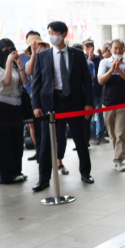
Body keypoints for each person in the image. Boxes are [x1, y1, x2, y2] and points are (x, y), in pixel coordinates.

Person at [31, 21, 95, 192]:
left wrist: (88, 103)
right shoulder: (43, 56)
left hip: (74, 101)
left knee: (80, 139)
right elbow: (36, 83)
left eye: (54, 33)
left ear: (64, 34)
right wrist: (36, 105)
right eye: (50, 32)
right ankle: (43, 179)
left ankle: (85, 173)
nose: (51, 36)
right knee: (46, 142)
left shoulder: (77, 54)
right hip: (51, 103)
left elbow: (86, 81)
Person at [0, 39, 29, 184]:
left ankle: (16, 171)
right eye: (5, 48)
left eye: (11, 47)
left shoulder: (15, 65)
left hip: (17, 105)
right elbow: (7, 81)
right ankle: (5, 175)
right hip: (1, 106)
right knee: (3, 142)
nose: (9, 50)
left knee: (17, 140)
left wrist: (19, 64)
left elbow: (25, 81)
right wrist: (8, 62)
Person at [97, 39, 125, 172]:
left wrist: (118, 69)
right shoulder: (104, 62)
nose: (117, 50)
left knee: (121, 133)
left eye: (120, 48)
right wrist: (112, 69)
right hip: (107, 103)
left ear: (124, 49)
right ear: (110, 49)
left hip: (123, 103)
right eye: (115, 48)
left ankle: (118, 159)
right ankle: (118, 154)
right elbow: (100, 80)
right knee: (112, 134)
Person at [23, 32, 49, 161]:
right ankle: (40, 153)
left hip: (49, 97)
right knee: (36, 127)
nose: (38, 47)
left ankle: (55, 158)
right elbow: (30, 71)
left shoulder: (49, 58)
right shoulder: (29, 61)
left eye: (40, 44)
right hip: (36, 97)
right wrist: (34, 54)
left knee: (50, 128)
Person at [83, 38, 107, 145]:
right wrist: (89, 59)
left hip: (99, 90)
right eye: (87, 46)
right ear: (84, 47)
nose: (89, 47)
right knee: (91, 116)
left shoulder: (99, 58)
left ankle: (100, 135)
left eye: (91, 45)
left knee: (100, 114)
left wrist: (101, 56)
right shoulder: (82, 58)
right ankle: (91, 136)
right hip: (89, 92)